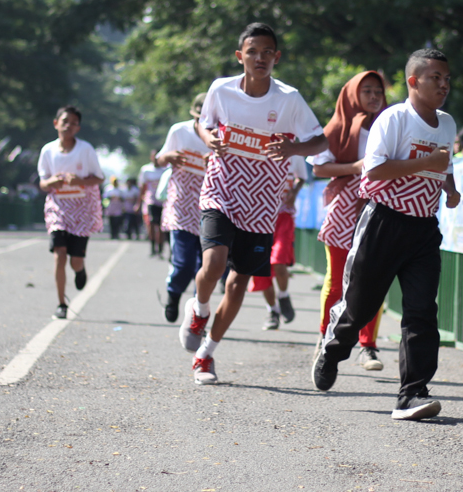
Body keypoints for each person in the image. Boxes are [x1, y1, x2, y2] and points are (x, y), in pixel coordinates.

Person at [313, 49, 460, 421]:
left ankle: (412, 393)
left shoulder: (447, 123)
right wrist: (426, 162)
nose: (444, 85)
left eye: (447, 79)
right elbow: (374, 172)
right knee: (360, 307)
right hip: (384, 222)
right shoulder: (394, 119)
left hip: (424, 228)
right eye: (435, 78)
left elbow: (445, 165)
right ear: (413, 81)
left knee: (422, 312)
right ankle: (332, 349)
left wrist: (451, 188)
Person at [180, 22, 327, 385]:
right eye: (252, 52)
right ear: (240, 56)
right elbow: (204, 124)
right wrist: (209, 138)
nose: (260, 58)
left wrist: (294, 148)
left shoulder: (289, 99)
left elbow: (320, 141)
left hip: (262, 202)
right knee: (214, 262)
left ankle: (205, 355)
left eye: (267, 52)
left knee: (238, 283)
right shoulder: (221, 90)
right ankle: (199, 309)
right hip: (222, 188)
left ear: (277, 57)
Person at [310, 70, 389, 371]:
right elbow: (319, 168)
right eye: (366, 91)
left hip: (380, 205)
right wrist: (355, 167)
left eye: (378, 91)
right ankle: (324, 338)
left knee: (373, 279)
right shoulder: (337, 127)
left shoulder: (390, 125)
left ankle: (368, 347)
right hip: (343, 208)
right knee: (336, 280)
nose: (373, 96)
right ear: (353, 94)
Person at [36, 106, 105, 319]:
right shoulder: (48, 150)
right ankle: (61, 304)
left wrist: (79, 181)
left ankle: (80, 269)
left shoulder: (85, 150)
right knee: (59, 254)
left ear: (78, 128)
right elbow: (42, 182)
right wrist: (51, 182)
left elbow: (99, 178)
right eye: (65, 121)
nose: (68, 126)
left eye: (74, 123)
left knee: (75, 260)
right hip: (58, 208)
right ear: (56, 123)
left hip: (82, 210)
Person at [155, 92, 211, 322]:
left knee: (205, 267)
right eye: (200, 117)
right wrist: (169, 156)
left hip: (210, 207)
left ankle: (197, 313)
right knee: (184, 263)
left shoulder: (222, 137)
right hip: (181, 207)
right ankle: (173, 293)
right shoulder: (179, 131)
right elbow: (159, 160)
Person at [250, 158, 307, 330]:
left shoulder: (295, 152)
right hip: (258, 218)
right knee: (261, 269)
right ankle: (272, 311)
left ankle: (283, 296)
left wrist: (294, 192)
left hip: (284, 217)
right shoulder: (258, 147)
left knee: (279, 261)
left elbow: (301, 177)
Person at [139, 152, 167, 257]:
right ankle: (152, 247)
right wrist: (139, 203)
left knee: (160, 226)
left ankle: (160, 249)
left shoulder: (166, 170)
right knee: (151, 224)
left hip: (163, 202)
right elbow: (142, 187)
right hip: (151, 201)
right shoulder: (146, 170)